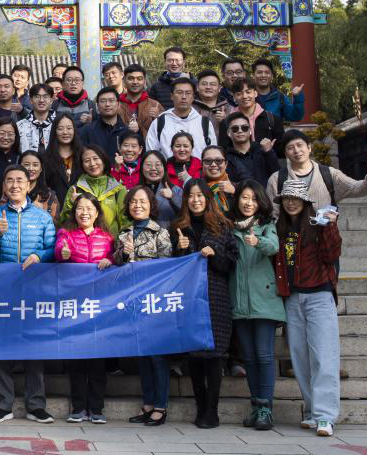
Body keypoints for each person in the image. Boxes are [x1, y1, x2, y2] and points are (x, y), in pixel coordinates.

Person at [0, 165, 56, 424]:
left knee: (34, 345)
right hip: (3, 288)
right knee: (2, 344)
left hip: (35, 288)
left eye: (20, 180)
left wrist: (39, 255)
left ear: (28, 185)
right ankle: (3, 405)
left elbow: (53, 247)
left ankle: (36, 405)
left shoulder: (43, 217)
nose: (15, 185)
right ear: (4, 185)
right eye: (10, 180)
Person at [273, 178, 342, 437]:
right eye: (287, 199)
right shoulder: (279, 227)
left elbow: (332, 254)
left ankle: (325, 416)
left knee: (324, 356)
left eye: (296, 199)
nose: (291, 203)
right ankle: (312, 410)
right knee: (300, 358)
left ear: (305, 202)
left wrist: (331, 227)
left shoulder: (318, 223)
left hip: (319, 295)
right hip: (292, 298)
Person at [171, 179, 238, 429]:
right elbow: (170, 269)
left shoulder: (223, 226)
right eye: (191, 195)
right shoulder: (178, 227)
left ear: (208, 198)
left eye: (200, 195)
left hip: (216, 297)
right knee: (195, 356)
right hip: (188, 298)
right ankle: (200, 407)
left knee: (215, 355)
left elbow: (231, 263)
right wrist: (180, 250)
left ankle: (212, 410)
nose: (196, 200)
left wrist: (215, 255)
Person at [228, 180, 284, 431]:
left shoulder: (267, 226)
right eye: (244, 197)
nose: (248, 203)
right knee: (249, 358)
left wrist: (257, 242)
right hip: (239, 302)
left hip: (264, 300)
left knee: (264, 355)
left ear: (261, 202)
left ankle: (266, 409)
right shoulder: (230, 227)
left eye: (253, 199)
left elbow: (273, 246)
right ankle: (256, 406)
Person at [55, 193, 115, 425]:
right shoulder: (67, 234)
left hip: (99, 307)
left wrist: (111, 261)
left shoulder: (107, 238)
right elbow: (59, 251)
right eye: (80, 208)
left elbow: (115, 259)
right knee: (77, 360)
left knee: (98, 361)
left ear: (97, 212)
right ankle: (78, 408)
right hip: (75, 307)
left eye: (89, 208)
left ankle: (97, 409)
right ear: (74, 212)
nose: (84, 212)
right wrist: (64, 254)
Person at [117, 186, 174, 426]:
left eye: (142, 201)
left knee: (158, 357)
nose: (137, 205)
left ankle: (161, 406)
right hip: (133, 303)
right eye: (133, 201)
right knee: (142, 356)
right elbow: (117, 268)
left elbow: (166, 267)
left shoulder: (160, 232)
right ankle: (148, 403)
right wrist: (123, 255)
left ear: (151, 205)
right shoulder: (124, 233)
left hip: (155, 302)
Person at [266, 130, 367, 210]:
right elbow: (273, 214)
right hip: (291, 236)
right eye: (290, 148)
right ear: (286, 154)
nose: (296, 150)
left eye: (300, 145)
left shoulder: (329, 174)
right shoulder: (276, 179)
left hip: (323, 235)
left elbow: (355, 188)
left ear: (309, 148)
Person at [59, 145, 127, 236]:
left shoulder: (118, 189)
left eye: (95, 158)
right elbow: (64, 222)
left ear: (103, 160)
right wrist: (71, 204)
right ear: (82, 165)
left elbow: (126, 223)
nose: (92, 163)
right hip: (81, 243)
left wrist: (121, 241)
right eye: (87, 161)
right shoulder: (75, 189)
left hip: (111, 243)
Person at [146, 77, 213, 160]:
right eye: (179, 92)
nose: (184, 97)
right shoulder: (159, 122)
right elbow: (151, 154)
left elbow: (212, 153)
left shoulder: (204, 123)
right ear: (171, 96)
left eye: (188, 93)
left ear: (193, 97)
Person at [220, 80, 283, 153]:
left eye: (248, 92)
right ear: (234, 97)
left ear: (255, 93)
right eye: (239, 94)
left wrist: (269, 151)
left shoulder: (271, 119)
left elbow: (281, 150)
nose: (244, 96)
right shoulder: (227, 122)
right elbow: (223, 150)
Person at [224, 112, 281, 185]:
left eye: (244, 128)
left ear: (250, 131)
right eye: (235, 129)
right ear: (228, 133)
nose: (240, 131)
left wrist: (269, 152)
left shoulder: (263, 151)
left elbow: (278, 176)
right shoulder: (225, 158)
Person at [78, 88, 130, 162]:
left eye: (111, 100)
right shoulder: (88, 131)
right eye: (103, 101)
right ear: (97, 106)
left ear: (119, 104)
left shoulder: (127, 131)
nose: (107, 104)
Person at [41, 113, 83, 205]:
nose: (65, 132)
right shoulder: (45, 158)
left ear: (74, 130)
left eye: (69, 128)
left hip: (80, 209)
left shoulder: (83, 155)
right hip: (55, 209)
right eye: (60, 129)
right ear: (54, 131)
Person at [251, 58, 305, 123]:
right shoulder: (247, 97)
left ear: (272, 76)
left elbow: (295, 117)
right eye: (259, 72)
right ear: (253, 75)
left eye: (267, 72)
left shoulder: (280, 98)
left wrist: (298, 97)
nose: (263, 75)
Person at [120, 64, 164, 138]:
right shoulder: (116, 105)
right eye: (131, 78)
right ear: (124, 81)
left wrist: (158, 118)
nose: (135, 82)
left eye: (139, 79)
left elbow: (164, 132)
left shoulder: (154, 105)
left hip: (147, 145)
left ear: (144, 81)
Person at [139, 151, 182, 222]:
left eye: (158, 165)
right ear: (141, 168)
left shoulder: (176, 190)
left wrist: (172, 197)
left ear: (164, 168)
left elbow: (185, 214)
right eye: (148, 164)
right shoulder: (135, 191)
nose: (153, 168)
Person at [20, 150, 59, 221]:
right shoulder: (11, 192)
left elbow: (55, 224)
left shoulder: (49, 195)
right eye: (26, 165)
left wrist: (41, 213)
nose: (31, 168)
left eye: (35, 165)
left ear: (41, 169)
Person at [16, 83, 55, 153]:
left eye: (45, 96)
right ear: (30, 100)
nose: (41, 100)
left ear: (51, 100)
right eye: (37, 96)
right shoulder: (19, 126)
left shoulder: (59, 124)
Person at [200, 145, 237, 215]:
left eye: (218, 161)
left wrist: (235, 193)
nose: (213, 164)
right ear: (201, 164)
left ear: (226, 164)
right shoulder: (196, 188)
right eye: (208, 161)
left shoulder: (238, 188)